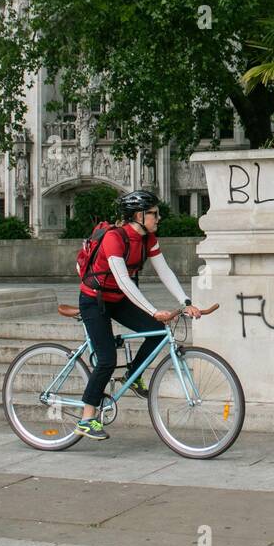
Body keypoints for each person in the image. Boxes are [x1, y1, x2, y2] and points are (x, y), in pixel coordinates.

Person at [75, 189, 199, 440]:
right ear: (138, 216)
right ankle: (87, 418)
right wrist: (154, 311)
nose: (158, 218)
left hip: (117, 300)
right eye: (153, 213)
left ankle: (132, 375)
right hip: (94, 300)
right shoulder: (114, 238)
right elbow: (123, 281)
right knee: (107, 359)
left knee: (155, 333)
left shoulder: (148, 239)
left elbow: (164, 271)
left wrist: (185, 301)